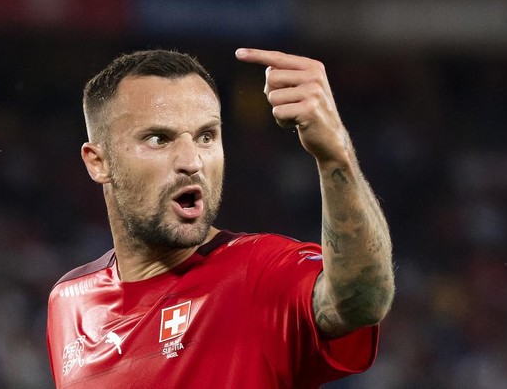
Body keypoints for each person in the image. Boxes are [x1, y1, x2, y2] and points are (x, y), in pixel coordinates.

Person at [45, 48, 394, 388]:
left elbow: (360, 300)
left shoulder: (257, 273)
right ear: (98, 162)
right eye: (159, 139)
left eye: (206, 136)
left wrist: (335, 155)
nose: (192, 161)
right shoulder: (68, 301)